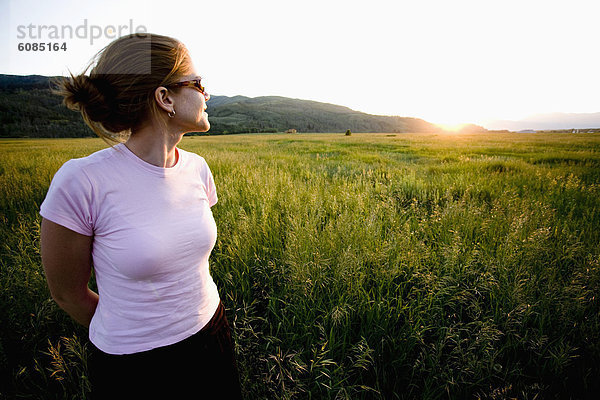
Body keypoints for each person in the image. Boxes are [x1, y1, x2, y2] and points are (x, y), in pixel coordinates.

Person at [39, 33, 242, 399]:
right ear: (165, 98)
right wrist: (138, 327)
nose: (206, 93)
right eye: (197, 83)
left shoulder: (198, 168)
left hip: (213, 334)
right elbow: (67, 293)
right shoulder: (82, 181)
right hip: (136, 365)